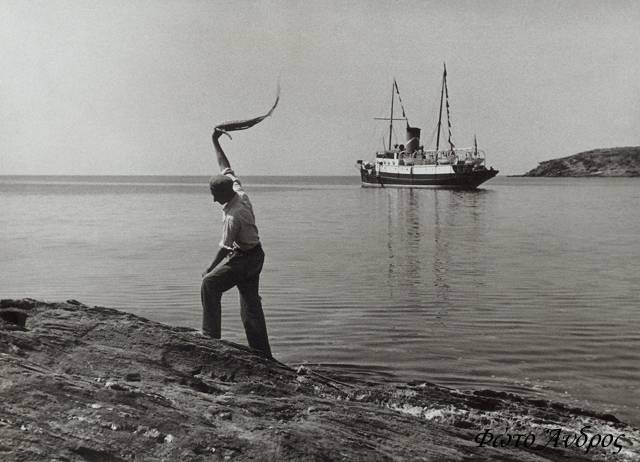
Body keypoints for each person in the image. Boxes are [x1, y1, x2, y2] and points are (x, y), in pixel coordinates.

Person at [200, 128, 271, 357]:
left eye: (215, 195)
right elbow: (225, 166)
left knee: (210, 283)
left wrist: (209, 268)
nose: (214, 200)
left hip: (246, 259)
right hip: (256, 255)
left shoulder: (233, 216)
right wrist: (215, 141)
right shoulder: (238, 191)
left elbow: (224, 248)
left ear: (223, 193)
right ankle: (262, 353)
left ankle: (210, 336)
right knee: (250, 306)